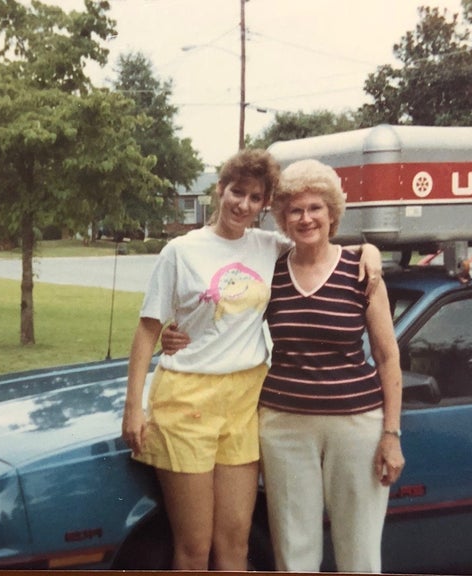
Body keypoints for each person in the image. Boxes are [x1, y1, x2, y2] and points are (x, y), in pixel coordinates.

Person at [122, 148, 381, 571]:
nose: (243, 204)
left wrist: (368, 252)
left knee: (235, 543)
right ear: (219, 191)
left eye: (255, 197)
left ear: (264, 206)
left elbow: (320, 240)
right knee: (193, 546)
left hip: (245, 401)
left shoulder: (269, 247)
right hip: (187, 398)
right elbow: (148, 329)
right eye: (236, 192)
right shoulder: (181, 251)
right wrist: (134, 406)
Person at [257, 158, 404, 573]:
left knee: (359, 549)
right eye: (295, 210)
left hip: (356, 425)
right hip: (283, 425)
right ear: (283, 219)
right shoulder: (271, 274)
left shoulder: (361, 269)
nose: (306, 218)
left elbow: (388, 356)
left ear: (332, 212)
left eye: (315, 207)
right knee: (293, 549)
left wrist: (391, 434)